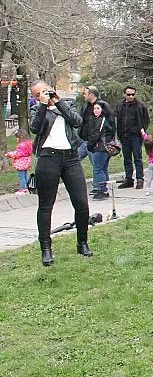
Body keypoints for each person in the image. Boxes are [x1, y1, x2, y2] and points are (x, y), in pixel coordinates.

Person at [29, 81, 93, 266]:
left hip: (71, 157)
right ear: (35, 97)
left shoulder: (65, 104)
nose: (44, 94)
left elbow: (77, 122)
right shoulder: (36, 109)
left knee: (81, 203)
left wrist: (58, 101)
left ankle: (82, 243)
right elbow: (35, 128)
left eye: (45, 91)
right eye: (38, 94)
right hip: (48, 158)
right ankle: (46, 250)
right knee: (46, 205)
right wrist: (43, 105)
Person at [115, 85, 150, 189]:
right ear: (124, 94)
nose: (131, 96)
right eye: (128, 94)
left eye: (133, 94)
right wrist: (118, 133)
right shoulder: (120, 105)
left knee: (137, 158)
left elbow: (146, 120)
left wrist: (142, 130)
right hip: (124, 135)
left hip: (136, 136)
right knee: (127, 159)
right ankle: (129, 179)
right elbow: (118, 119)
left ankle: (140, 179)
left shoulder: (140, 106)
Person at [84, 101, 116, 200]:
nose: (95, 111)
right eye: (94, 108)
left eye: (98, 108)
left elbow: (95, 134)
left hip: (101, 147)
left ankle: (102, 190)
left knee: (98, 169)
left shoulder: (101, 120)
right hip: (106, 147)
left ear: (103, 110)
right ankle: (104, 189)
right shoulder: (107, 120)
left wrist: (90, 145)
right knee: (103, 168)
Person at [6, 128, 33, 194]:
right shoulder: (29, 143)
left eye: (17, 138)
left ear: (20, 137)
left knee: (21, 177)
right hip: (26, 162)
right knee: (25, 175)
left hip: (21, 163)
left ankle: (23, 189)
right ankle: (28, 187)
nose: (16, 139)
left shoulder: (21, 145)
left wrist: (9, 154)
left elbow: (17, 154)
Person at [76, 85, 100, 160]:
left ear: (91, 95)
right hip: (83, 141)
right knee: (74, 161)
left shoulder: (101, 106)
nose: (83, 95)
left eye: (85, 93)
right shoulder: (85, 106)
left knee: (97, 165)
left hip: (95, 143)